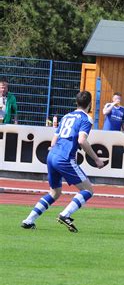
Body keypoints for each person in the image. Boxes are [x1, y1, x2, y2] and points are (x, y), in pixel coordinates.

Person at [21, 91, 105, 231]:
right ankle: (65, 215)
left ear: (76, 103)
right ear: (90, 104)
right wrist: (96, 159)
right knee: (88, 190)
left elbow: (54, 141)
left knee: (55, 192)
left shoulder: (66, 116)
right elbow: (82, 140)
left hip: (52, 155)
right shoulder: (86, 119)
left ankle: (29, 220)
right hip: (64, 158)